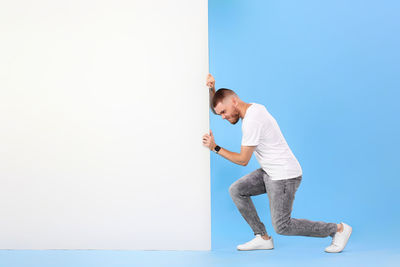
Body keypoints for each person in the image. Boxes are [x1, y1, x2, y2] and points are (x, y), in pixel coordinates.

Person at [202, 74, 352, 253]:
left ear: (234, 101)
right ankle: (262, 237)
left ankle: (339, 230)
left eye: (224, 112)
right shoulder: (252, 108)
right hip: (270, 171)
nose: (223, 117)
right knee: (236, 190)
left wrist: (215, 148)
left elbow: (243, 160)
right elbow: (220, 104)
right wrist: (212, 89)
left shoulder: (252, 121)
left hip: (284, 175)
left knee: (283, 226)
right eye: (220, 114)